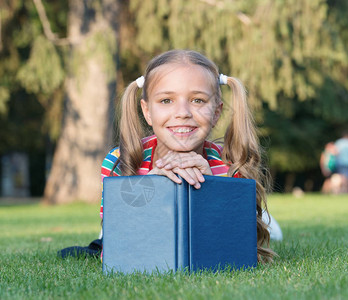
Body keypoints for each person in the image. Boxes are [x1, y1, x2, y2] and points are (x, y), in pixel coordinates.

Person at [98, 49, 277, 262]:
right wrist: (153, 187)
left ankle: (272, 224)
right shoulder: (120, 160)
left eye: (198, 100)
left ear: (216, 112)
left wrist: (210, 187)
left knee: (268, 227)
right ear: (147, 111)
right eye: (166, 100)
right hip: (135, 221)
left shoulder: (231, 164)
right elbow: (115, 253)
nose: (183, 112)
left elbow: (235, 250)